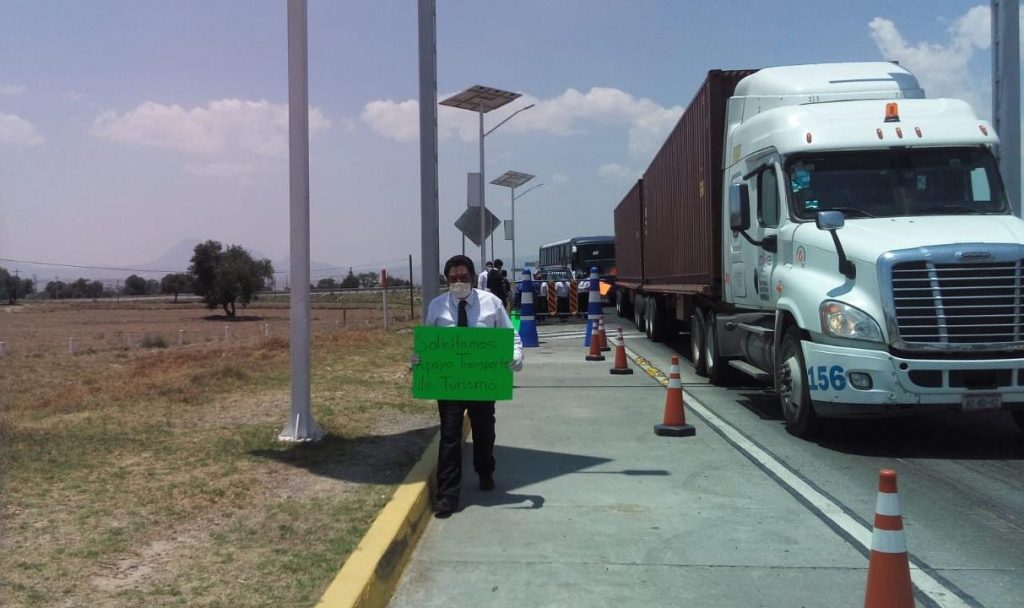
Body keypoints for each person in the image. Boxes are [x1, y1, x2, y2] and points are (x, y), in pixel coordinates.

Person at [417, 254, 524, 518]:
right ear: (447, 280)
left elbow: (511, 336)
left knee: (484, 431)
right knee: (450, 436)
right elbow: (428, 341)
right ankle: (447, 496)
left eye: (463, 277)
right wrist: (419, 359)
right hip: (450, 384)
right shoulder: (437, 306)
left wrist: (516, 356)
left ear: (473, 278)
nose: (459, 282)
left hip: (483, 383)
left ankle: (485, 469)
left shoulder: (492, 303)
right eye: (453, 278)